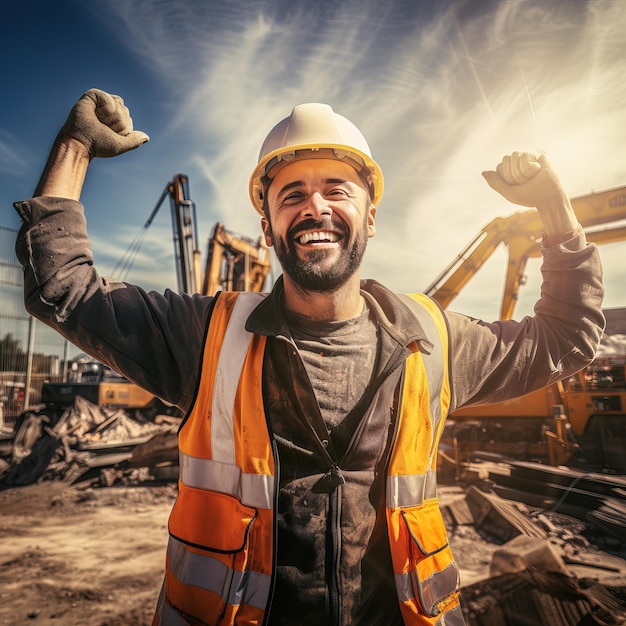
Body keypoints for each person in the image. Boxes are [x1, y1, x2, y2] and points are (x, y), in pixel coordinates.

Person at [14, 89, 604, 626]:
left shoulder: (435, 341)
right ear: (268, 227)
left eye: (336, 189)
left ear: (370, 215)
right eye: (292, 194)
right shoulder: (207, 336)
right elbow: (63, 286)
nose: (314, 207)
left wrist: (553, 205)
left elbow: (568, 336)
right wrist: (74, 147)